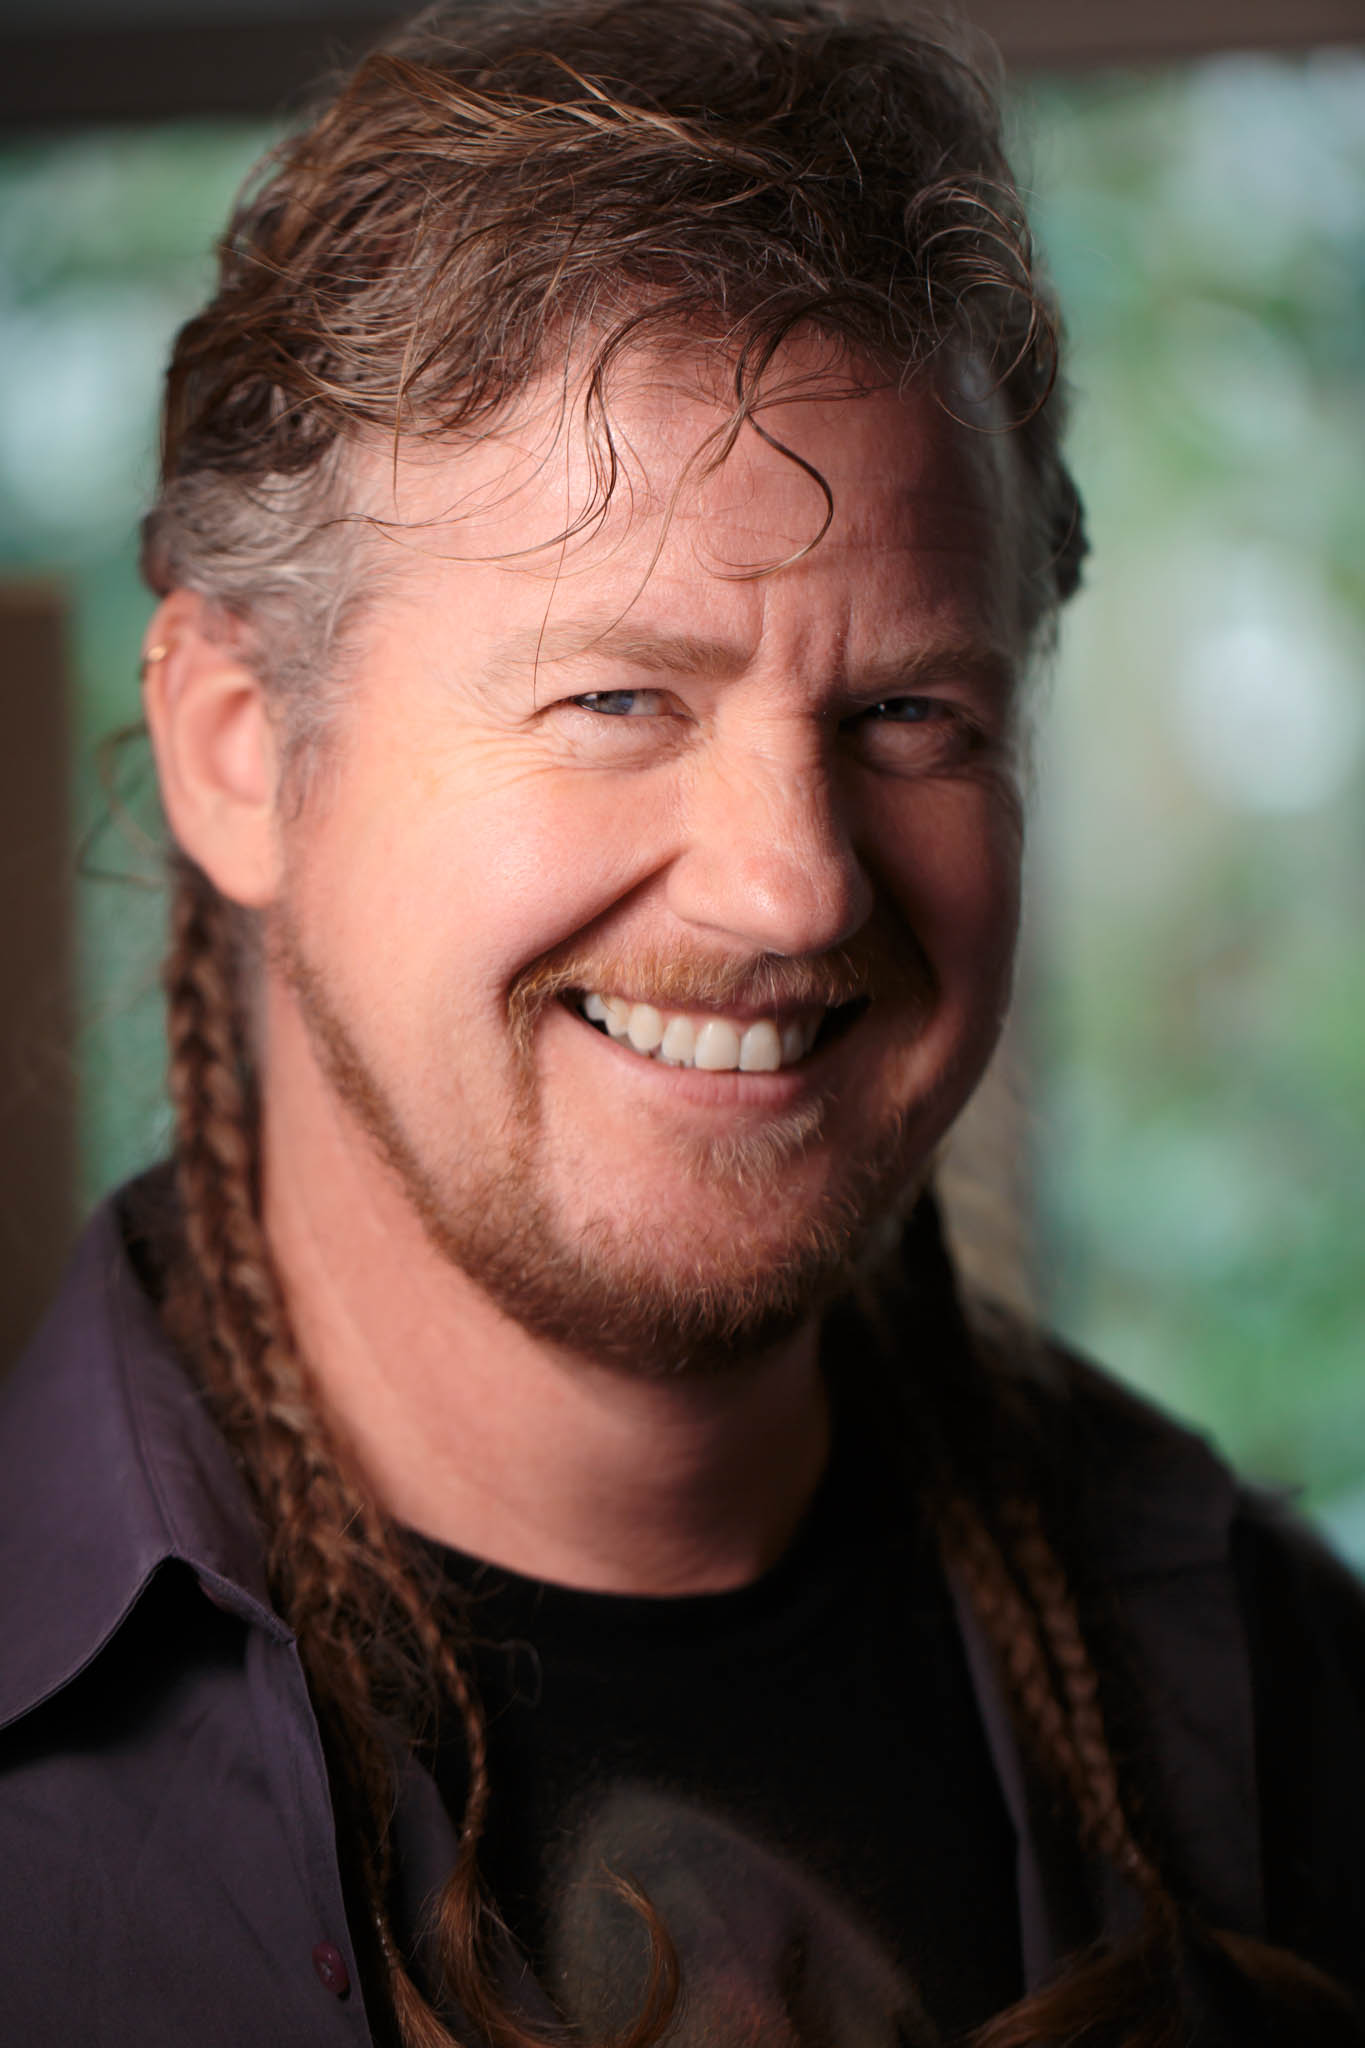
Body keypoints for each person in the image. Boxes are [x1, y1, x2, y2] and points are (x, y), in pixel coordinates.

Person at [2, 2, 1363, 2043]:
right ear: (233, 747)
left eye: (908, 712)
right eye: (616, 698)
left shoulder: (1280, 1692)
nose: (793, 885)